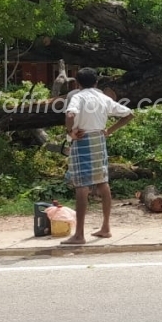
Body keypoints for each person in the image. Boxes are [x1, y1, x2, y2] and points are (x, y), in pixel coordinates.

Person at [61, 67, 134, 245]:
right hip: (99, 140)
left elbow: (70, 114)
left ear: (77, 83)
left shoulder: (78, 96)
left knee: (82, 186)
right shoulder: (103, 97)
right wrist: (109, 131)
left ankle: (79, 235)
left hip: (82, 140)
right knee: (102, 182)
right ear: (96, 82)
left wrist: (70, 132)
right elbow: (129, 114)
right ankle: (106, 227)